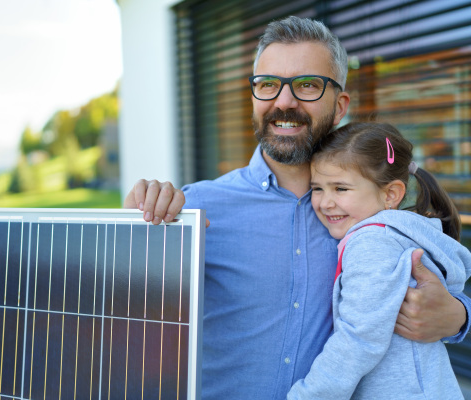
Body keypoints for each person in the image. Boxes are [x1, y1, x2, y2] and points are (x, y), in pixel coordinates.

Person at [124, 16, 470, 399]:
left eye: (307, 85)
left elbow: (438, 284)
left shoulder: (373, 215)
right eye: (268, 85)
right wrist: (137, 232)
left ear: (339, 106)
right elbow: (129, 323)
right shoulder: (194, 209)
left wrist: (459, 317)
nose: (283, 102)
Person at [286, 121, 471, 399]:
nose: (325, 203)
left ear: (390, 194)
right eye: (318, 188)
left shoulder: (373, 243)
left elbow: (359, 339)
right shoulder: (400, 232)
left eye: (341, 188)